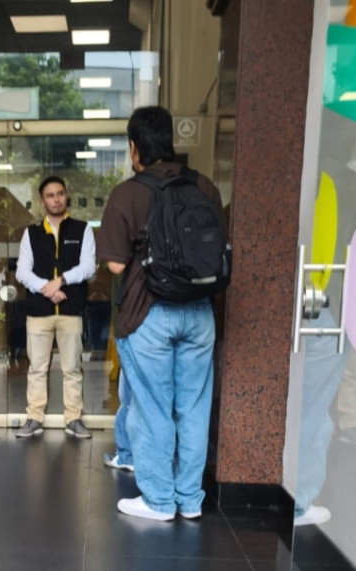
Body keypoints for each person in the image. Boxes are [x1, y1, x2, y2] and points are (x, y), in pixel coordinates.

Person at [97, 106, 224, 521]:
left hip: (149, 312)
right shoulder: (204, 186)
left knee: (151, 407)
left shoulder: (127, 194)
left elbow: (115, 265)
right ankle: (190, 499)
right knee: (193, 406)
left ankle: (158, 500)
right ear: (171, 140)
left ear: (134, 148)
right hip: (200, 311)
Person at [14, 176, 96, 439]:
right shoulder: (31, 233)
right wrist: (47, 288)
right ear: (42, 201)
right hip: (39, 312)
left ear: (66, 196)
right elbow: (22, 272)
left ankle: (73, 419)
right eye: (50, 195)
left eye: (60, 193)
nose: (56, 199)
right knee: (37, 368)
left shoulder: (83, 230)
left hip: (70, 310)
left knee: (72, 368)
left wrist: (60, 280)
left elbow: (87, 267)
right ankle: (34, 417)